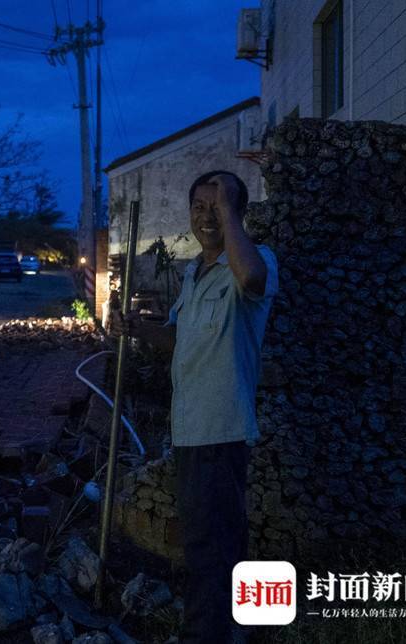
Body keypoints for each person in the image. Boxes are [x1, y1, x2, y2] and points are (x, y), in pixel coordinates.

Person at [112, 171, 278, 644]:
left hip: (220, 429)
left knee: (209, 549)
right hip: (189, 429)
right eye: (200, 206)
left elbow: (253, 279)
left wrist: (230, 218)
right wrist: (139, 330)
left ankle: (206, 636)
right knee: (215, 543)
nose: (207, 216)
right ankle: (232, 631)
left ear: (237, 212)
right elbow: (181, 338)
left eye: (219, 205)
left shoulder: (255, 261)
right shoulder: (192, 273)